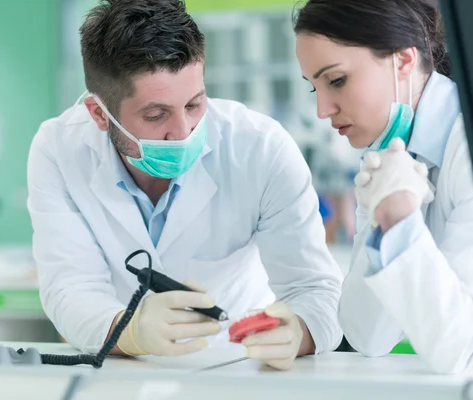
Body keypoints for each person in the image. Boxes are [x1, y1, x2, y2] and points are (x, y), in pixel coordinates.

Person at [26, 0, 343, 370]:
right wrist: (130, 332)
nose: (182, 132)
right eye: (156, 114)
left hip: (239, 369)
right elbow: (69, 289)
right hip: (122, 371)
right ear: (99, 113)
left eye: (194, 104)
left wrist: (298, 332)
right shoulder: (59, 150)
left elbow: (317, 291)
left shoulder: (260, 148)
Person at [294, 0, 473, 373]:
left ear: (403, 62)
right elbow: (367, 336)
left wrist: (401, 219)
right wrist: (385, 222)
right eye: (314, 88)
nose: (322, 110)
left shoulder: (464, 146)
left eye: (337, 80)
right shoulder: (389, 156)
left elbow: (462, 349)